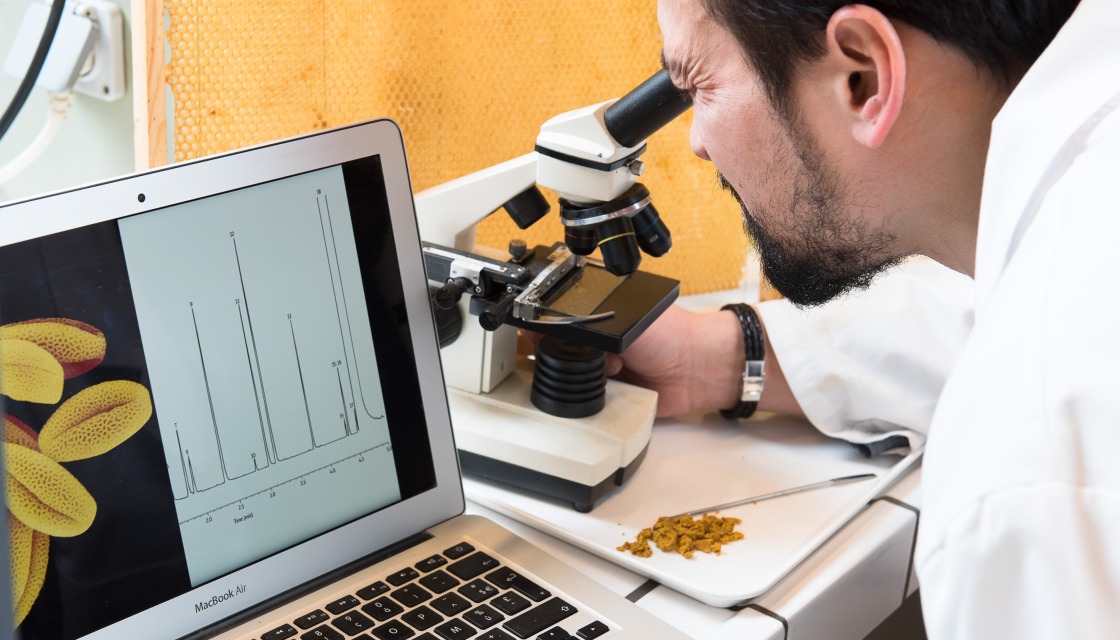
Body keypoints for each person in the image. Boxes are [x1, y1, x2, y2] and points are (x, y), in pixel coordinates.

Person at [615, 0, 1120, 637]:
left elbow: (1037, 377)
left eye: (698, 83)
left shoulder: (1031, 488)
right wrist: (716, 354)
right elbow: (978, 318)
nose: (696, 144)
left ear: (864, 79)